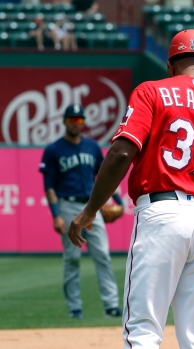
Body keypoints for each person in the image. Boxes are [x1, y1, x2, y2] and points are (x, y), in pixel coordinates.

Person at [67, 28, 194, 349]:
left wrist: (91, 209)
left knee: (144, 331)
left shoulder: (152, 91)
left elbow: (121, 152)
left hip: (161, 213)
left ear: (170, 66)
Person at [39, 104, 124, 320]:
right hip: (67, 205)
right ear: (65, 121)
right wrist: (56, 214)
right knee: (73, 258)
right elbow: (49, 186)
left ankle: (111, 305)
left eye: (79, 119)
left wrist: (118, 200)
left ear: (83, 122)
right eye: (72, 119)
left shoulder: (92, 147)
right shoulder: (53, 150)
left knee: (103, 255)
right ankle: (75, 308)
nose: (75, 123)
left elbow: (104, 177)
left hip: (91, 206)